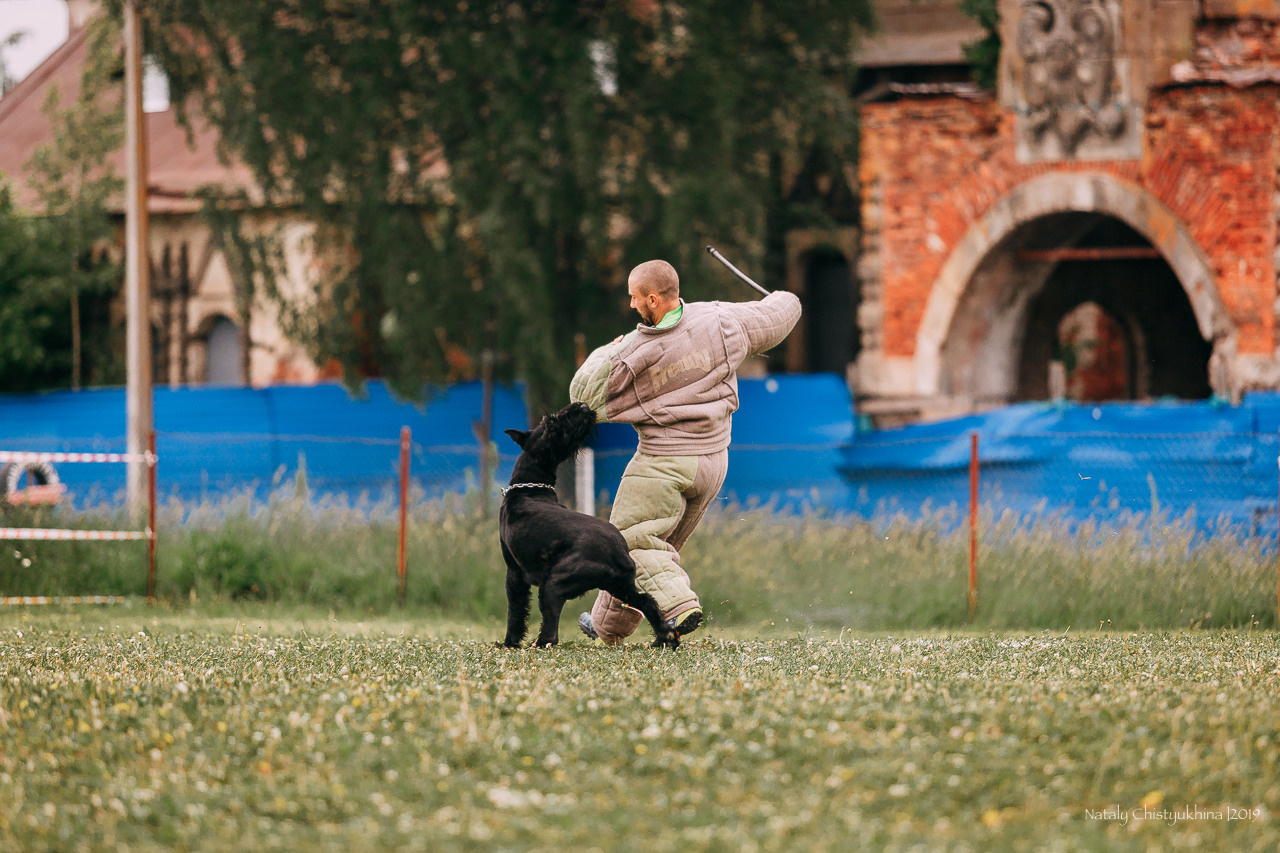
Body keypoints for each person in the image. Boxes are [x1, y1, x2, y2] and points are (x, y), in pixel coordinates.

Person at [569, 258, 801, 644]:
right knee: (653, 552)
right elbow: (773, 318)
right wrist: (787, 299)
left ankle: (678, 607)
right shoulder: (720, 320)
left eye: (635, 298)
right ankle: (607, 628)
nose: (631, 306)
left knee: (629, 543)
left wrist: (607, 352)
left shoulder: (634, 352)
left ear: (654, 300)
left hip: (664, 464)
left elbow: (582, 396)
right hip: (713, 462)